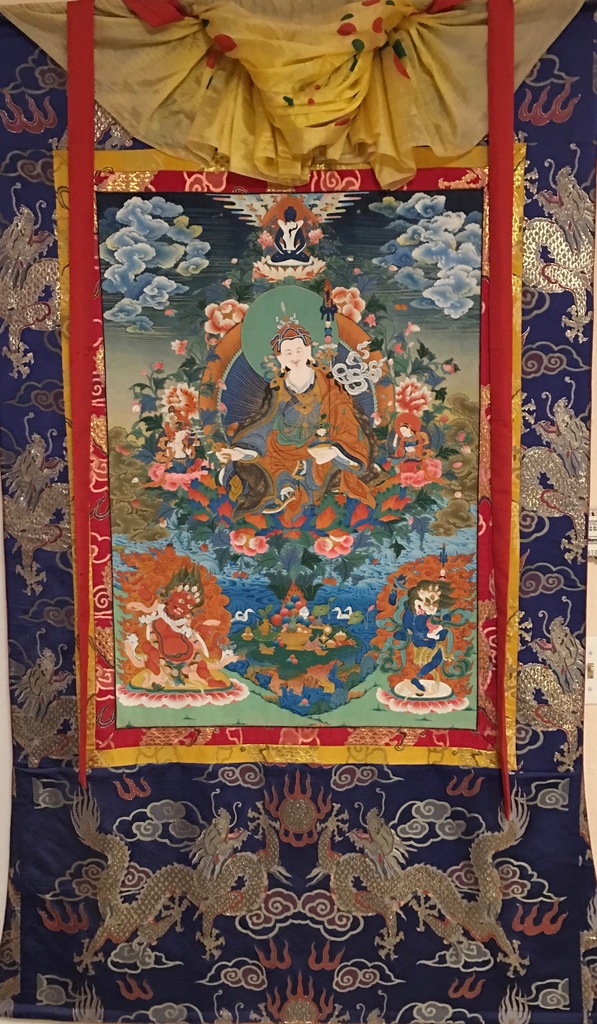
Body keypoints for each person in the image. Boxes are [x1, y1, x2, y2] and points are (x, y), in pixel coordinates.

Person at [215, 319, 375, 517]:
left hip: (318, 445)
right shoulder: (278, 388)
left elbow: (345, 419)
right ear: (280, 358)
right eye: (288, 352)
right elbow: (266, 424)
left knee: (322, 467)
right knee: (256, 463)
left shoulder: (328, 384)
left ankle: (294, 488)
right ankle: (284, 488)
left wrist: (334, 451)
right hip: (282, 445)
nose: (295, 356)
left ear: (308, 350)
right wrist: (239, 451)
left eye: (299, 350)